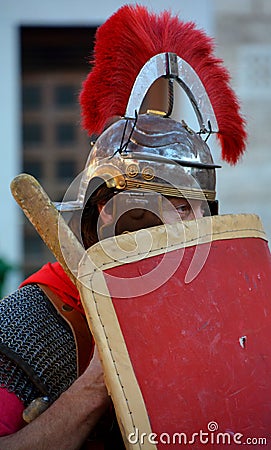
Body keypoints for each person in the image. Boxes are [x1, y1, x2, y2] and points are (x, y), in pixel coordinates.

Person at [0, 4, 246, 449]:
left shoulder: (227, 306)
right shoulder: (35, 320)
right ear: (104, 210)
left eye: (186, 204)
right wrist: (99, 382)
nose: (172, 219)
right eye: (148, 201)